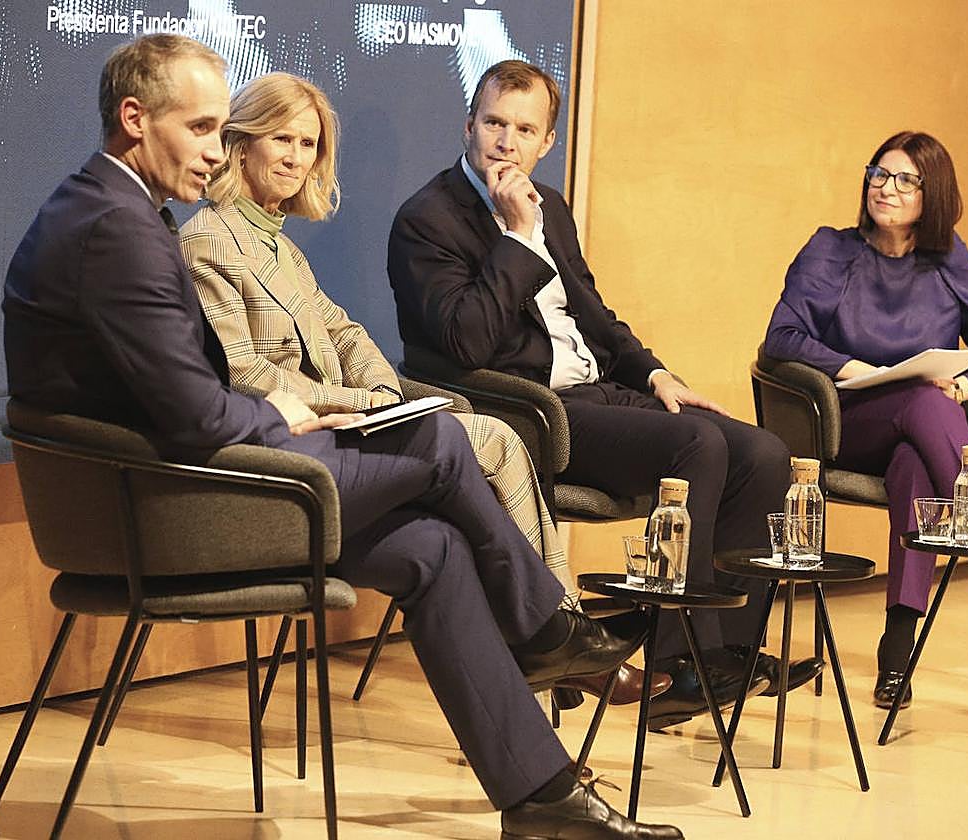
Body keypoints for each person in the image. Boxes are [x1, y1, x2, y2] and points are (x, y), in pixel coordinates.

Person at [1, 34, 682, 839]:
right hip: (171, 509)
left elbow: (243, 370)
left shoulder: (113, 208)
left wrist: (339, 404)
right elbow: (196, 414)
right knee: (439, 446)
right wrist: (285, 414)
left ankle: (541, 797)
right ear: (134, 118)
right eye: (204, 129)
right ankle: (543, 628)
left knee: (431, 546)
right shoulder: (119, 228)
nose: (218, 150)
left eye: (224, 129)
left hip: (190, 478)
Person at [178, 71, 668, 710]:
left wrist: (385, 390)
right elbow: (254, 379)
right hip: (295, 451)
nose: (297, 159)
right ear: (240, 145)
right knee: (491, 439)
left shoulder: (277, 242)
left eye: (308, 144)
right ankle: (557, 633)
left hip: (347, 425)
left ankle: (555, 635)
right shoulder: (209, 240)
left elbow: (344, 332)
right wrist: (369, 405)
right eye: (282, 140)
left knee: (489, 447)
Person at [387, 59, 823, 731]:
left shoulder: (549, 205)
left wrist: (655, 375)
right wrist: (512, 239)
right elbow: (465, 344)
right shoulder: (427, 218)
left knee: (764, 453)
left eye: (523, 129)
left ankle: (725, 653)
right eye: (494, 123)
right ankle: (681, 665)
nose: (506, 141)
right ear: (469, 124)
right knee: (697, 446)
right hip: (530, 409)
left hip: (600, 391)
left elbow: (592, 311)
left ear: (546, 142)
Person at [763, 130, 968, 709]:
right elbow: (781, 337)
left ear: (934, 196)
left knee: (916, 469)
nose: (887, 188)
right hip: (846, 423)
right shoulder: (832, 250)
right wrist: (855, 366)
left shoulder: (950, 260)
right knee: (926, 402)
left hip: (920, 439)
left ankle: (896, 652)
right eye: (879, 173)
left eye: (906, 180)